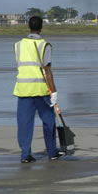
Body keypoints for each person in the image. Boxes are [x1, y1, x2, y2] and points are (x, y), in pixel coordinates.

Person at [13, 16, 63, 163]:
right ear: (41, 27)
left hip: (23, 89)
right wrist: (53, 91)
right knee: (49, 121)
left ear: (29, 26)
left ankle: (25, 155)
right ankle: (52, 152)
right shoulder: (44, 45)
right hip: (41, 90)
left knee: (24, 124)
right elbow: (47, 70)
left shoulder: (18, 45)